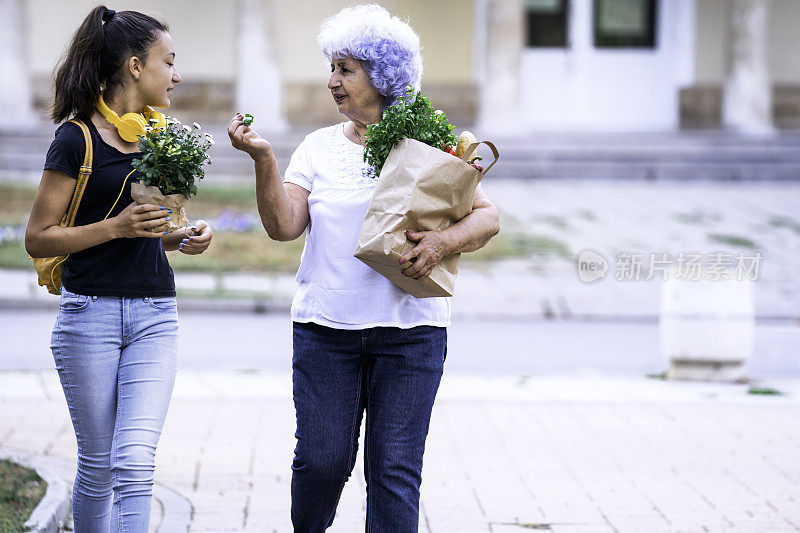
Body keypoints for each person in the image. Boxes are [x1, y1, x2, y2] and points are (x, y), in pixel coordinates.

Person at [228, 4, 499, 531]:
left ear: (382, 73)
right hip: (326, 331)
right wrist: (263, 160)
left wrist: (442, 242)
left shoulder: (432, 141)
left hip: (412, 333)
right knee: (320, 464)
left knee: (395, 472)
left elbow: (487, 218)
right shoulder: (318, 148)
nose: (332, 81)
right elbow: (284, 226)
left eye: (345, 69)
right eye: (332, 67)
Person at [25, 6, 213, 531]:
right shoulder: (75, 140)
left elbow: (156, 229)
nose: (176, 76)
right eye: (168, 62)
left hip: (156, 314)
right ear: (135, 66)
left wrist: (184, 236)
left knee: (134, 461)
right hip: (89, 318)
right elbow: (37, 237)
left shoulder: (163, 139)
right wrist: (118, 228)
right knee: (98, 466)